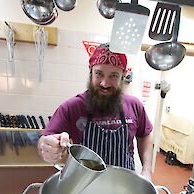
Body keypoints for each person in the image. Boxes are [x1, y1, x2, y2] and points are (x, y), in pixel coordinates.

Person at [37, 43, 153, 179]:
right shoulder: (72, 107)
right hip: (83, 184)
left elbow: (145, 135)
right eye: (99, 74)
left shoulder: (135, 105)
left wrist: (147, 170)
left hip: (124, 185)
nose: (105, 83)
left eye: (113, 76)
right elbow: (44, 142)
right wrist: (46, 147)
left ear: (123, 76)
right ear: (90, 72)